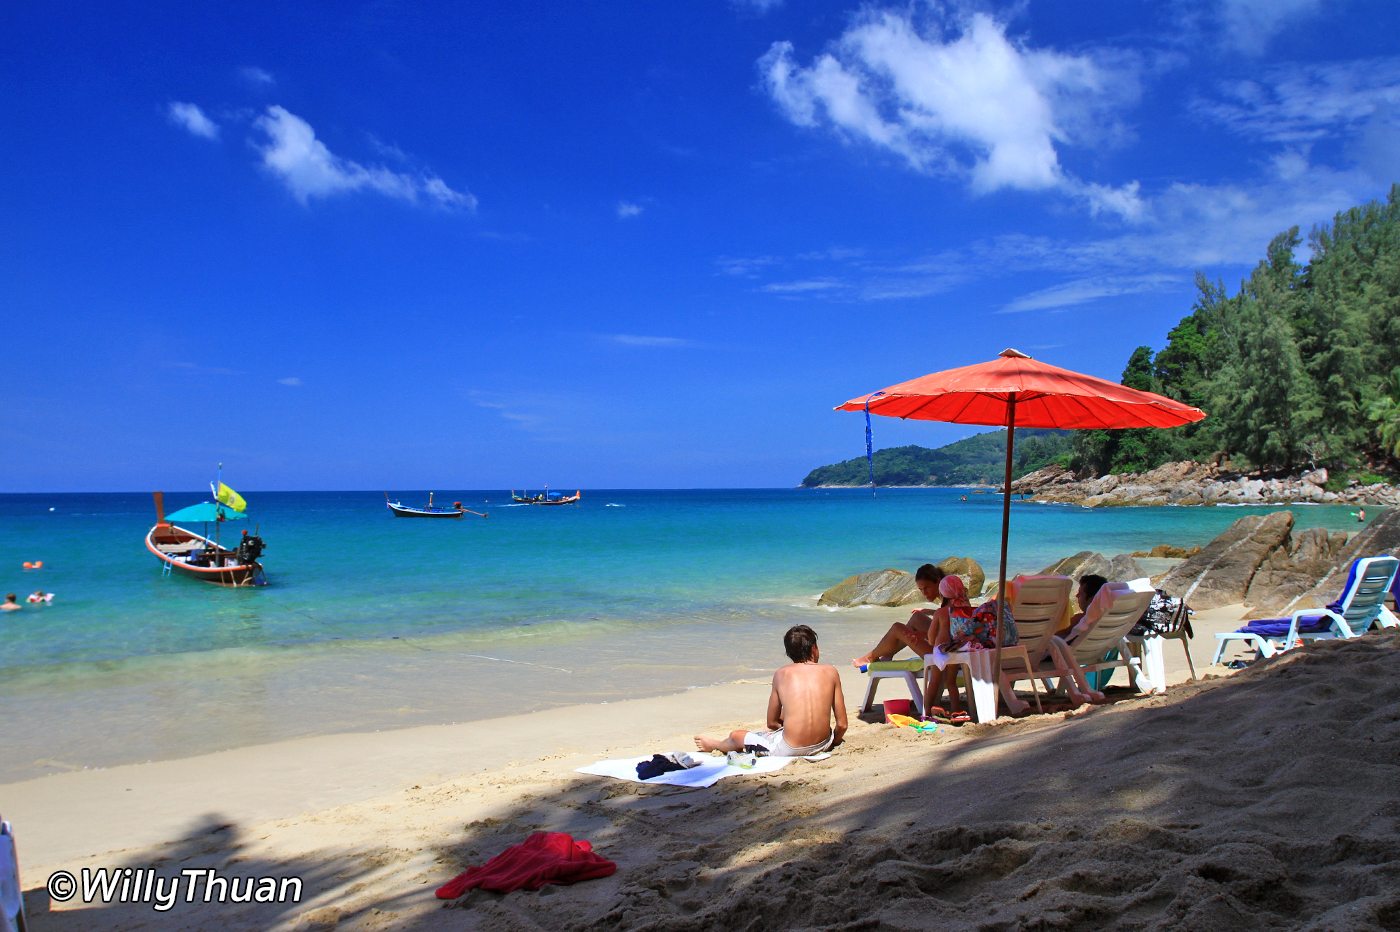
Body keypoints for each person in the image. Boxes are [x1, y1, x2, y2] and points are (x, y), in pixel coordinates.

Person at [695, 624, 847, 757]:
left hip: (789, 749)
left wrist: (784, 730)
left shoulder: (782, 674)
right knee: (785, 715)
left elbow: (772, 722)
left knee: (737, 735)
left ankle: (715, 745)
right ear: (814, 648)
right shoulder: (830, 671)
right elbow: (842, 725)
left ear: (788, 653)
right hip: (822, 744)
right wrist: (833, 742)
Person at [850, 564, 947, 669]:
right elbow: (950, 617)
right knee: (917, 617)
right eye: (921, 590)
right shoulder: (951, 595)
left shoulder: (948, 598)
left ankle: (871, 656)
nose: (924, 593)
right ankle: (887, 654)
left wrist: (922, 634)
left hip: (943, 656)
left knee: (897, 628)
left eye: (926, 588)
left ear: (937, 581)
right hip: (947, 650)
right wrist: (928, 611)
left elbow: (949, 634)